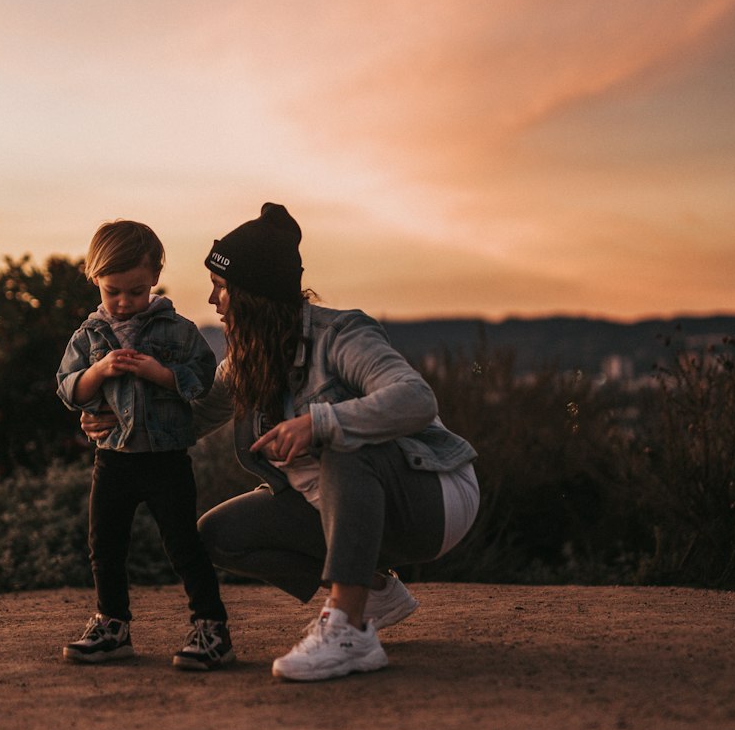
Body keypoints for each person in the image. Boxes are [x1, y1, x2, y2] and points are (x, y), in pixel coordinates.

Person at [84, 202, 479, 682]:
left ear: (253, 295)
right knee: (219, 535)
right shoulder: (245, 362)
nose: (213, 302)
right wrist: (118, 422)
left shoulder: (340, 334)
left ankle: (348, 630)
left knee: (342, 442)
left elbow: (416, 399)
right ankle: (373, 590)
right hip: (344, 511)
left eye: (221, 288)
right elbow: (188, 421)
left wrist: (319, 422)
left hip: (432, 500)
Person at [56, 219, 232, 671]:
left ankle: (212, 628)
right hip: (112, 460)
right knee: (105, 545)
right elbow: (68, 388)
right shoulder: (89, 336)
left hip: (165, 460)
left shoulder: (178, 331)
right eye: (112, 290)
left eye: (135, 291)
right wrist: (98, 372)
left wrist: (160, 374)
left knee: (182, 545)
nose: (123, 302)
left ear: (154, 276)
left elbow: (202, 382)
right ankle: (112, 626)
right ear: (95, 279)